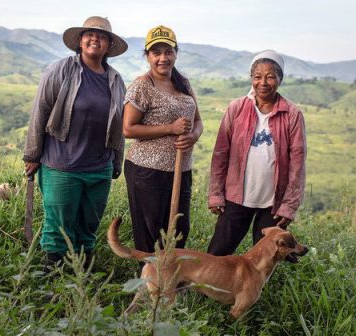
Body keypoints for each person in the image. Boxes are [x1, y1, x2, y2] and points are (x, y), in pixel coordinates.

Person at [23, 16, 128, 268]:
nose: (95, 39)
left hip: (99, 168)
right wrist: (32, 154)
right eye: (89, 34)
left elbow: (119, 126)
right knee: (58, 226)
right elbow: (41, 110)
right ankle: (52, 283)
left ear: (108, 45)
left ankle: (82, 278)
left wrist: (117, 160)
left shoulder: (115, 80)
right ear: (80, 41)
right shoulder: (60, 70)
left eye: (102, 36)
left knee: (88, 227)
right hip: (62, 165)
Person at [207, 50, 306, 256]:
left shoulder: (292, 114)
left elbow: (297, 165)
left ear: (280, 79)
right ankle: (203, 290)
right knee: (218, 254)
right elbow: (220, 154)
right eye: (257, 76)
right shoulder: (237, 108)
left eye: (270, 76)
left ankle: (254, 291)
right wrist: (216, 193)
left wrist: (288, 206)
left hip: (272, 204)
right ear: (251, 79)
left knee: (265, 261)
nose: (263, 82)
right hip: (235, 198)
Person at [123, 25, 203, 253]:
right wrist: (170, 128)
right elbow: (128, 129)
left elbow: (198, 121)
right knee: (151, 233)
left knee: (178, 230)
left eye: (168, 52)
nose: (163, 58)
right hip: (147, 171)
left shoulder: (183, 83)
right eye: (156, 52)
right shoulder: (142, 85)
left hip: (181, 170)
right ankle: (148, 284)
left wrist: (193, 137)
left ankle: (170, 283)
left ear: (176, 53)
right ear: (147, 56)